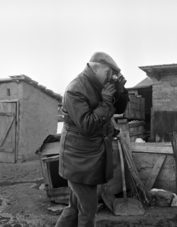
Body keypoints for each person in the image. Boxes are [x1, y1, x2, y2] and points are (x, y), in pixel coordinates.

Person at [55, 52, 129, 227]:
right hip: (80, 160)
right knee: (88, 211)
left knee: (74, 207)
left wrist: (120, 91)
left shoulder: (97, 84)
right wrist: (105, 102)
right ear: (95, 68)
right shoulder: (75, 89)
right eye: (108, 72)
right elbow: (87, 125)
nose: (110, 77)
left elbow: (118, 108)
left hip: (89, 157)